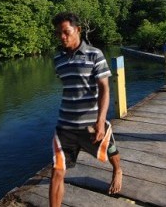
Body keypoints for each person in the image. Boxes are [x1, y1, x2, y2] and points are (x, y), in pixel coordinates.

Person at [49, 12, 123, 207]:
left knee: (111, 152)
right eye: (58, 33)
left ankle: (118, 170)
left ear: (78, 30)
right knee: (57, 171)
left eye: (66, 32)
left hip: (92, 123)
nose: (62, 37)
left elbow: (105, 89)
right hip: (65, 126)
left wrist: (100, 121)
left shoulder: (94, 54)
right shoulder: (58, 59)